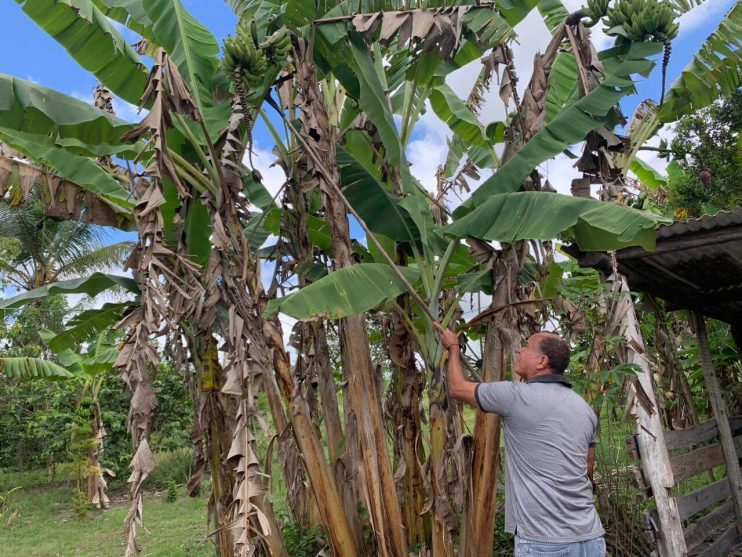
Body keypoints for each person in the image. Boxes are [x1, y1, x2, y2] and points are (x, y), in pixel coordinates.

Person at [433, 322, 606, 557]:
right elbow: (586, 468)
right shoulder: (584, 407)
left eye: (527, 347)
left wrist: (453, 347)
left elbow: (456, 388)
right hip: (591, 539)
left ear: (541, 362)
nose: (519, 350)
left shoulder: (515, 395)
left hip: (544, 542)